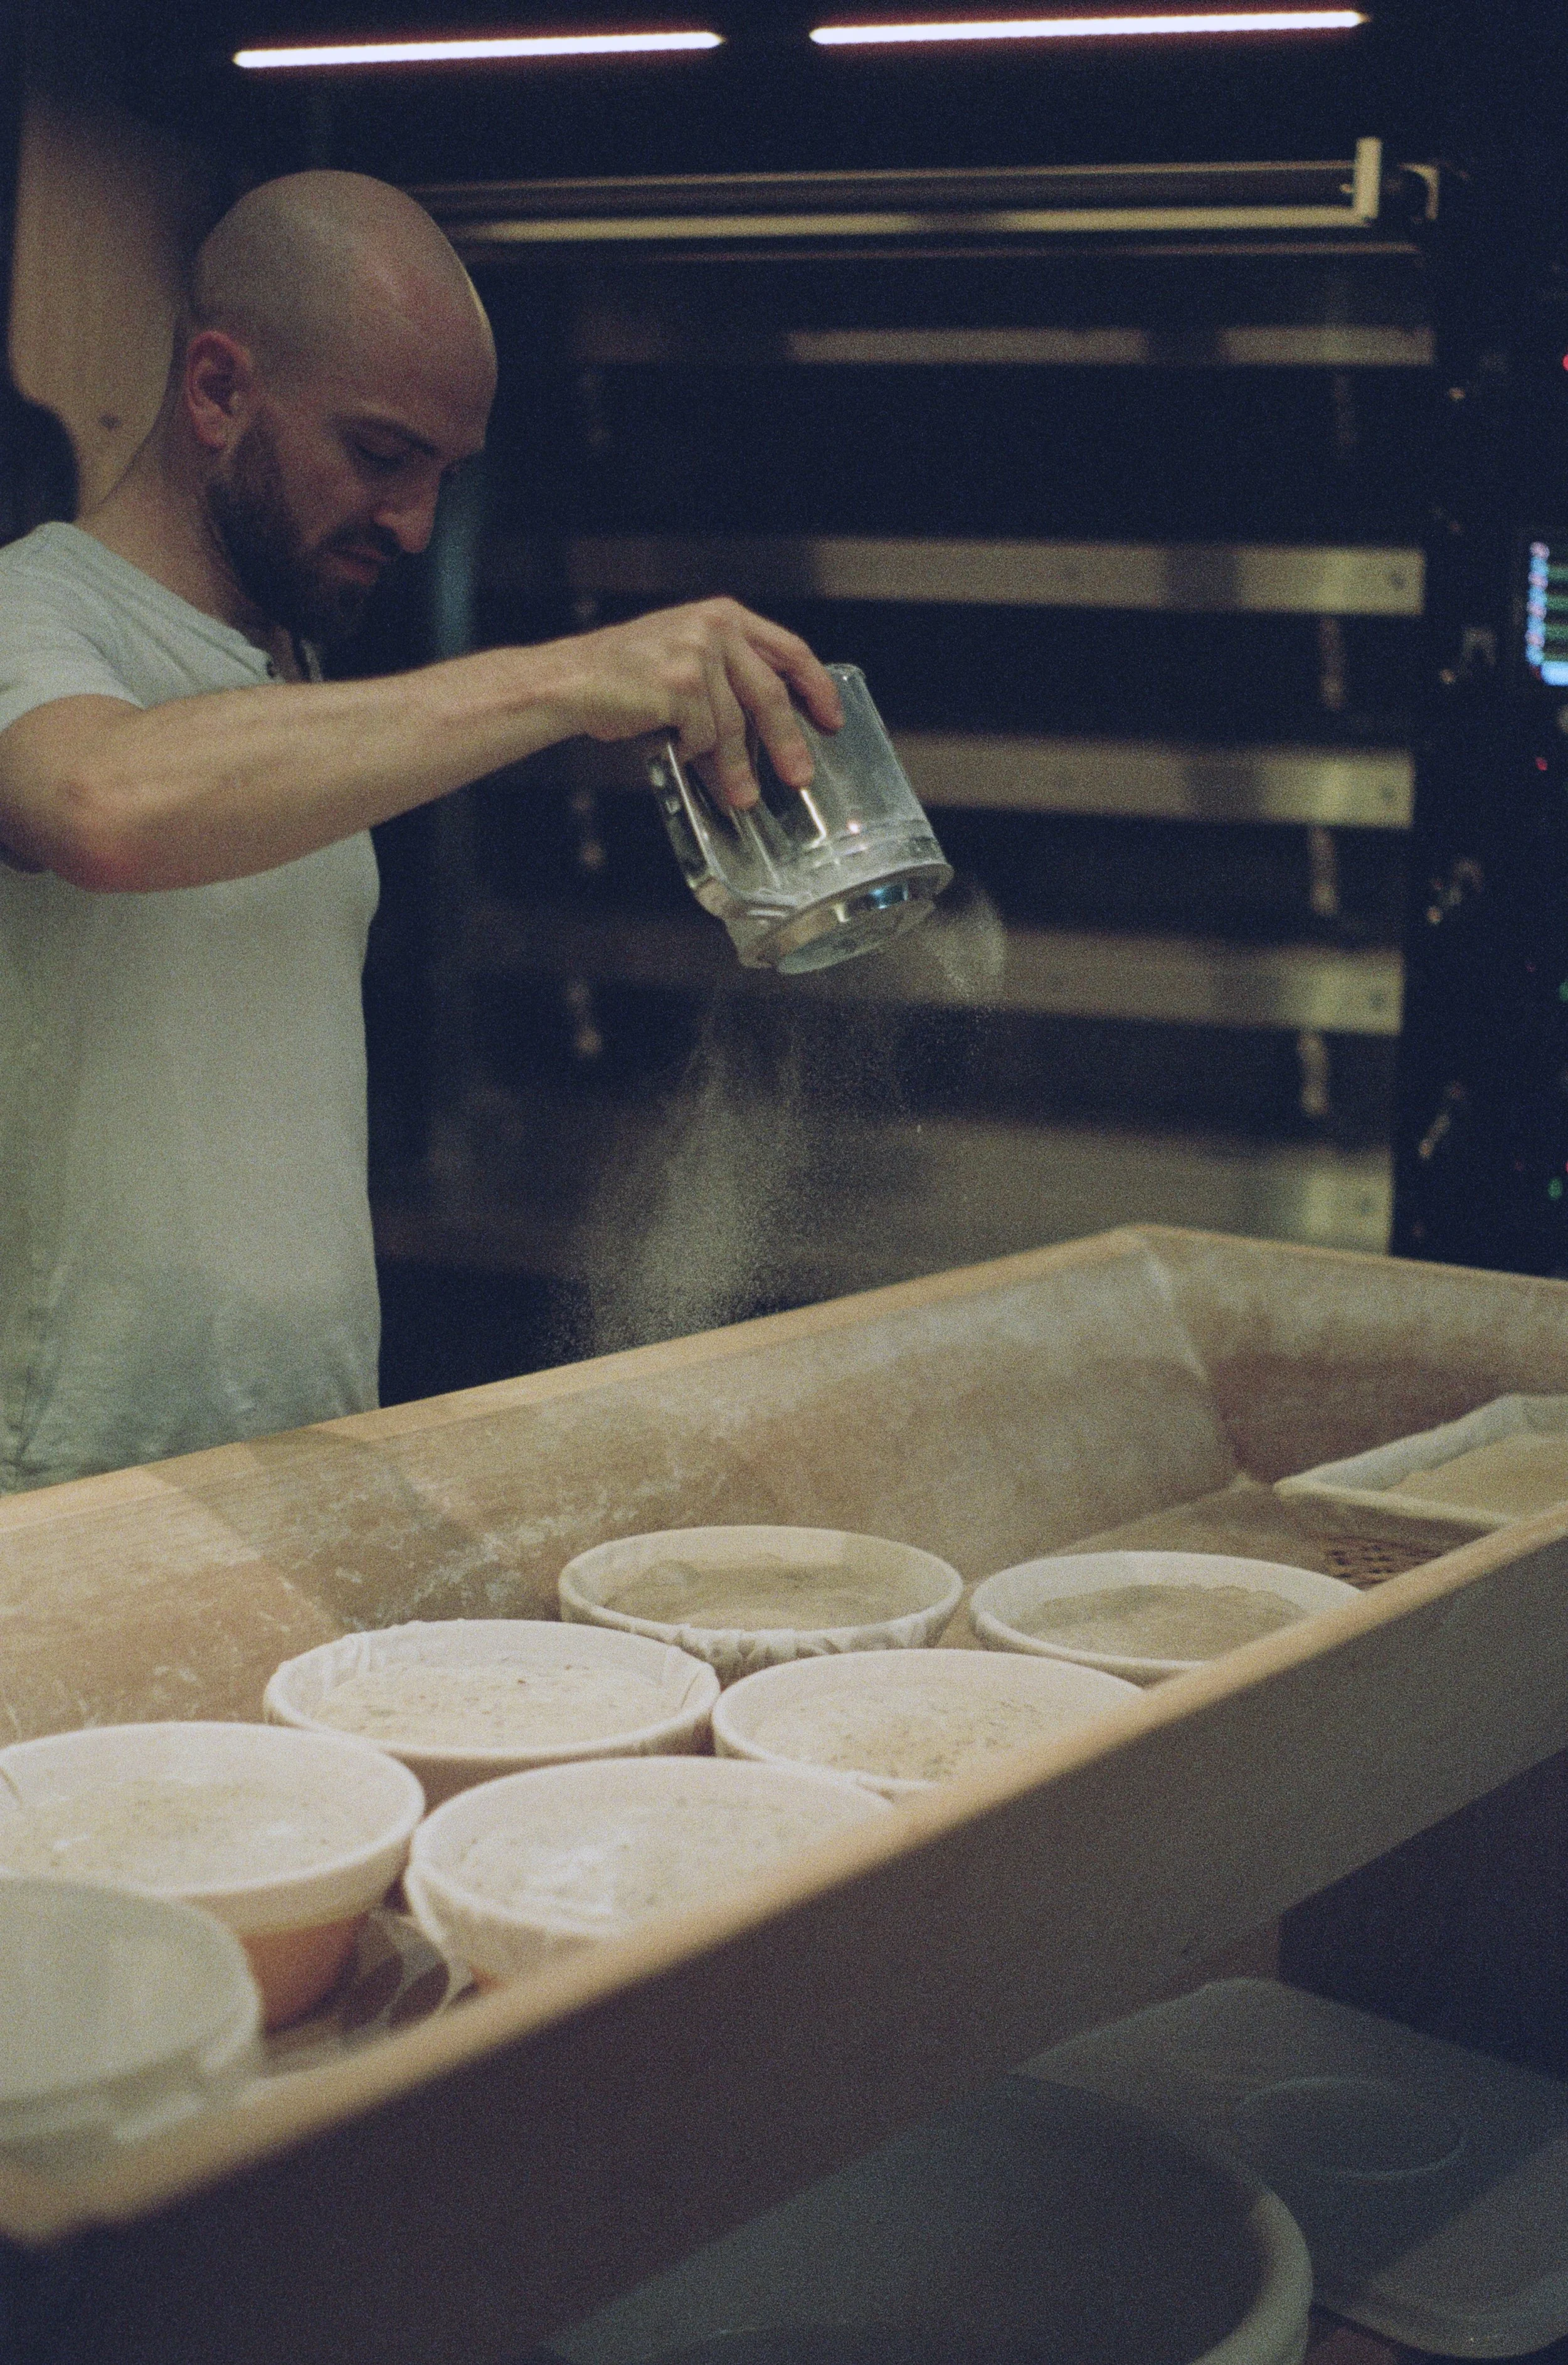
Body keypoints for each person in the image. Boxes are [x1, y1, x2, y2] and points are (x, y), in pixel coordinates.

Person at [0, 170, 843, 1491]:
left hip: (297, 1452)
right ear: (218, 389)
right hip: (66, 1488)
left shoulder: (285, 676)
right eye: (381, 456)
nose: (413, 523)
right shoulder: (35, 612)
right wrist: (565, 677)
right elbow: (101, 804)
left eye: (444, 475)